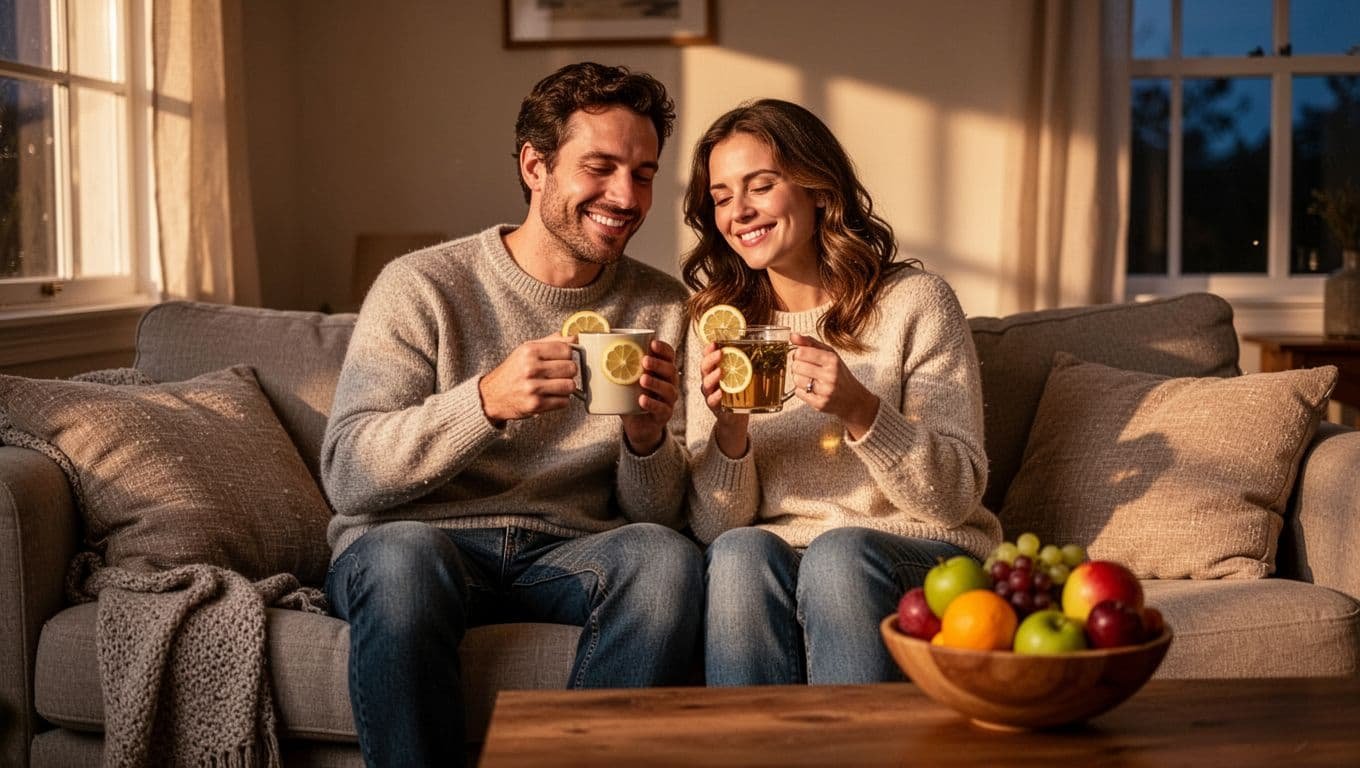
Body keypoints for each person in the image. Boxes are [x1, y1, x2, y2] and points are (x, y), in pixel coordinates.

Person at [321, 62, 701, 766]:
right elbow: (349, 475)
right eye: (601, 166)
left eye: (644, 173)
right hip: (419, 540)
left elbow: (658, 518)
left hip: (566, 551)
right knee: (404, 559)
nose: (626, 196)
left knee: (664, 562)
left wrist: (646, 440)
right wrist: (484, 402)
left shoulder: (662, 308)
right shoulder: (423, 285)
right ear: (536, 165)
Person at [680, 99, 1002, 686]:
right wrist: (729, 431)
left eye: (761, 185)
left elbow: (955, 496)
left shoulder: (915, 303)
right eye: (722, 197)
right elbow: (715, 528)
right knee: (737, 555)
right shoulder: (717, 326)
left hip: (913, 547)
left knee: (837, 556)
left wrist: (861, 410)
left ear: (818, 190)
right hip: (780, 551)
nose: (739, 211)